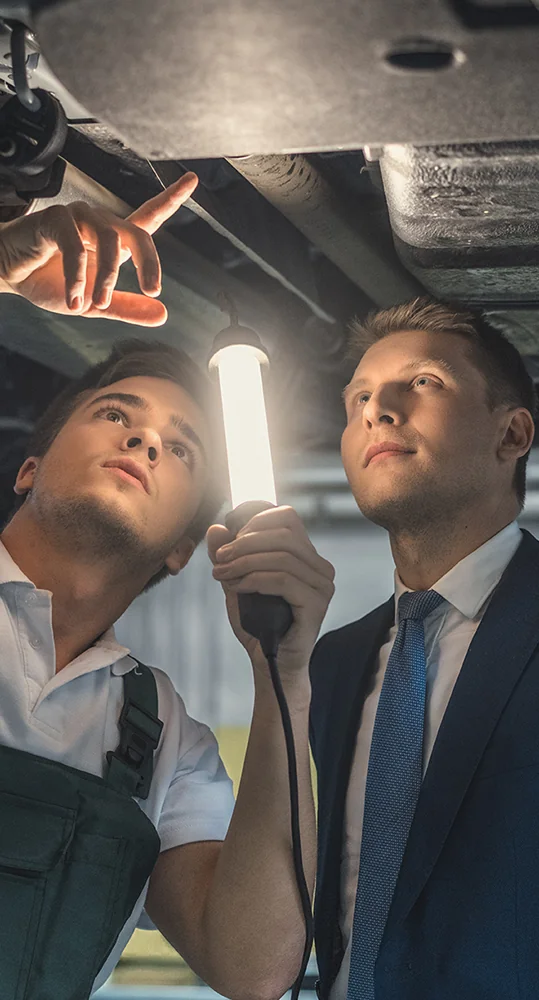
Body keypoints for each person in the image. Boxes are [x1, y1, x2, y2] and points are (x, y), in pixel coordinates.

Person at [0, 176, 335, 998]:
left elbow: (253, 966)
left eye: (180, 449)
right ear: (28, 467)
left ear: (186, 547)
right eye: (115, 413)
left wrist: (281, 677)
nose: (146, 439)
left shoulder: (162, 740)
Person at [309, 297, 539, 1000]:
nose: (377, 408)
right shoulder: (331, 662)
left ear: (510, 434)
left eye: (423, 382)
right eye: (358, 397)